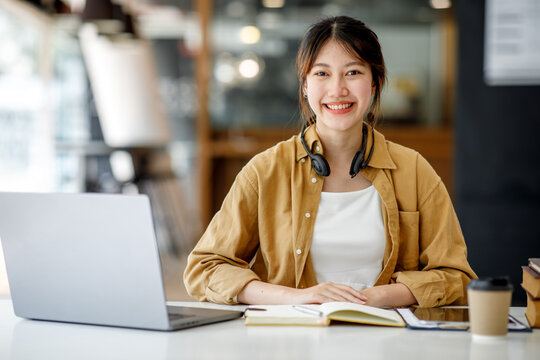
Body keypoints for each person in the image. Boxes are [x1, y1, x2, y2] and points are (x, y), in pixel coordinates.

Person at [184, 16, 476, 308]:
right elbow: (204, 269)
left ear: (374, 83)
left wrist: (379, 297)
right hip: (292, 343)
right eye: (322, 74)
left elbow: (455, 275)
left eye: (353, 73)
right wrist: (298, 297)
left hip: (387, 341)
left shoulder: (413, 170)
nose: (337, 90)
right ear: (305, 86)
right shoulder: (265, 171)